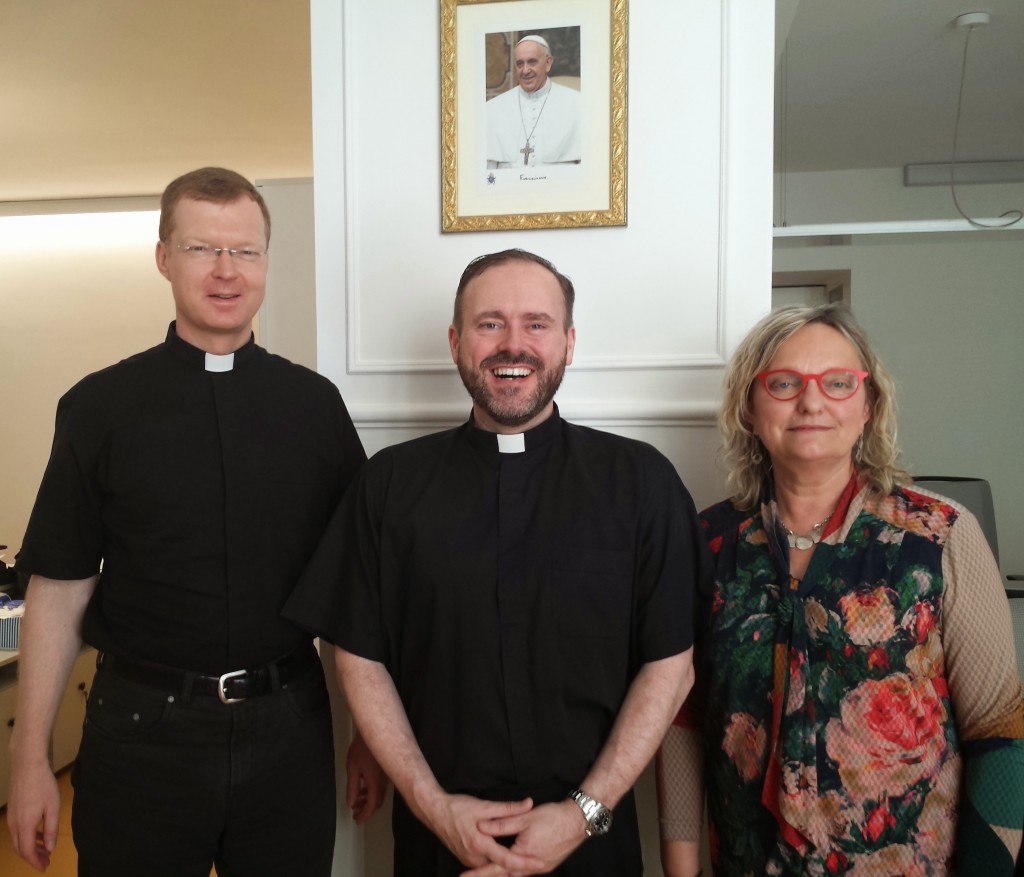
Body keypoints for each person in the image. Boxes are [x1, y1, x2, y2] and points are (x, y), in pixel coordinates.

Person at [6, 167, 384, 876]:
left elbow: (353, 592)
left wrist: (368, 733)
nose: (225, 270)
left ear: (266, 262)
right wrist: (29, 760)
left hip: (288, 730)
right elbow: (59, 588)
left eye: (244, 251)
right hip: (142, 732)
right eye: (202, 248)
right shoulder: (99, 408)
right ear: (163, 257)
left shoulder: (314, 408)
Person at [284, 248, 710, 876]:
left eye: (537, 324)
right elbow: (359, 657)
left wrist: (583, 811)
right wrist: (435, 807)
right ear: (457, 341)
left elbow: (671, 667)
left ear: (568, 342)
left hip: (592, 844)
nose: (514, 345)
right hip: (438, 839)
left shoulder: (641, 482)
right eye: (490, 324)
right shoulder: (389, 486)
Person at [657, 304, 1024, 876]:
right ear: (751, 409)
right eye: (783, 384)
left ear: (867, 404)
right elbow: (683, 718)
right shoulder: (706, 543)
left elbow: (999, 731)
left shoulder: (941, 536)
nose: (811, 402)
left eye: (836, 382)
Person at [486, 35, 582, 169]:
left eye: (532, 62)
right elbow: (487, 174)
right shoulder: (493, 109)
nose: (525, 70)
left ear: (548, 63)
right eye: (520, 63)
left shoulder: (578, 104)